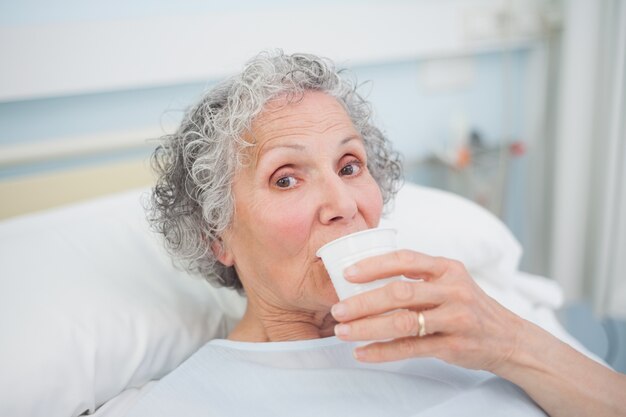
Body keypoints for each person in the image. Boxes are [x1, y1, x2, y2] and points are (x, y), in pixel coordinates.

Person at [131, 51, 626, 416]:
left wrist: (511, 344)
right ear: (217, 235)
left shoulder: (467, 320)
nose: (344, 205)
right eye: (286, 178)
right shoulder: (182, 403)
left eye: (350, 166)